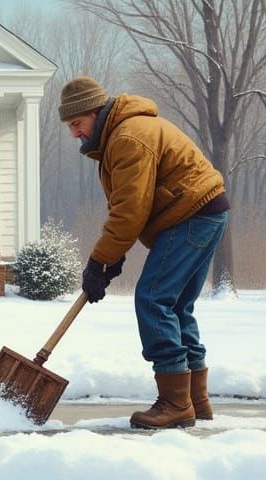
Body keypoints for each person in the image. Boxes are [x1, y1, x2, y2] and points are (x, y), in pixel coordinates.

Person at [59, 76, 230, 430]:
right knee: (176, 304)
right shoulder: (123, 134)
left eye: (77, 123)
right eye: (69, 126)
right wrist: (113, 256)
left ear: (95, 112)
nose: (74, 133)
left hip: (192, 215)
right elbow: (132, 209)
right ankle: (195, 401)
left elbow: (129, 211)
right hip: (205, 212)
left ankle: (174, 403)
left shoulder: (128, 137)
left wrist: (98, 262)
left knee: (153, 299)